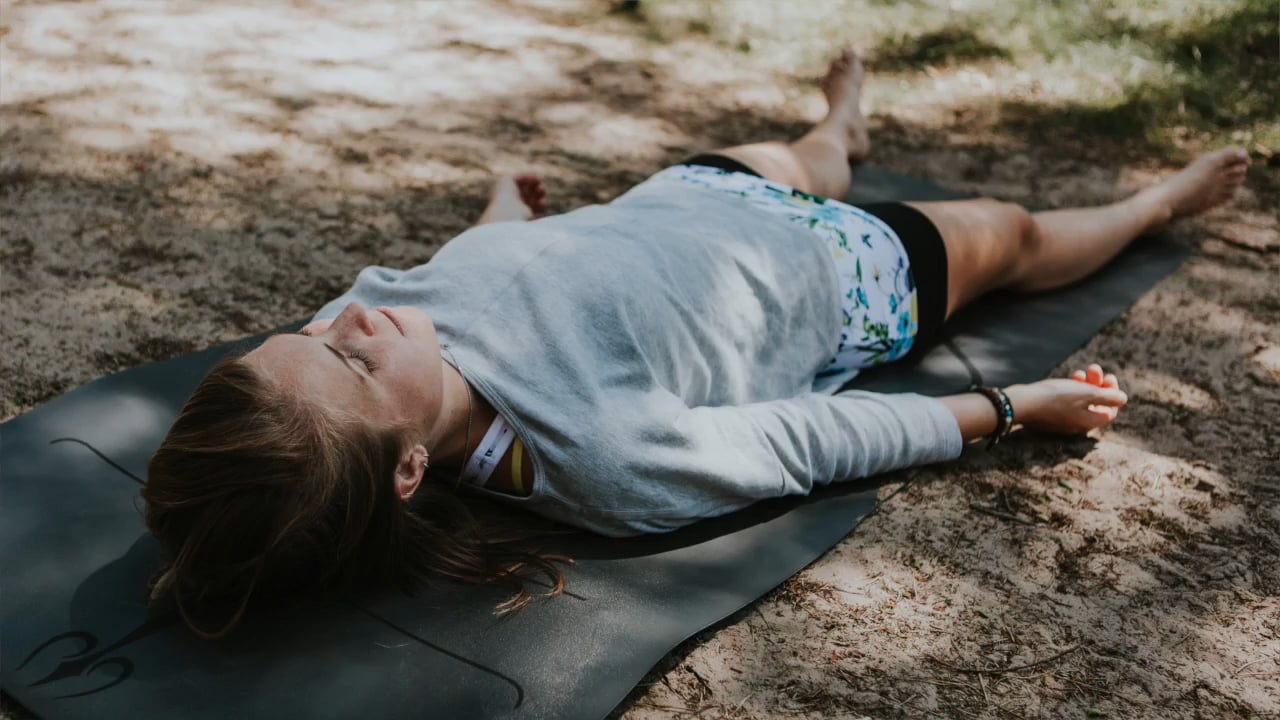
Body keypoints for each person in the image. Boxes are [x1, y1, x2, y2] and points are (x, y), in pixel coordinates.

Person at [142, 50, 1251, 637]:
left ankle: (840, 128)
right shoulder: (603, 460)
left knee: (810, 154)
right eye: (344, 357)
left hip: (691, 199)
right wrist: (1009, 409)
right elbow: (816, 437)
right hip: (839, 276)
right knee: (1008, 236)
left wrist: (501, 209)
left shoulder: (373, 330)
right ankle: (1156, 203)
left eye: (301, 331)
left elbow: (454, 272)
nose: (346, 318)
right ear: (407, 469)